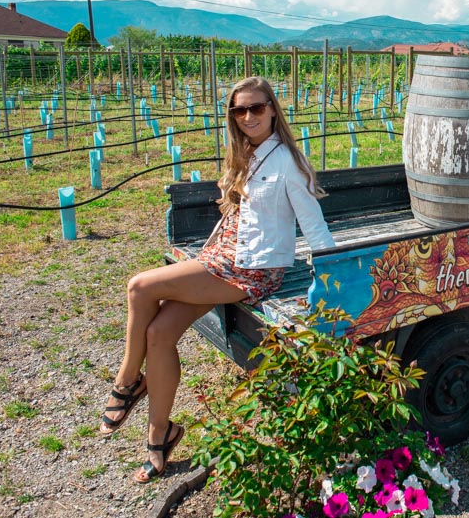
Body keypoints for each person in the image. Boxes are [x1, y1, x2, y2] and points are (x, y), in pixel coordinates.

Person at [99, 76, 335, 483]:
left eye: (256, 107)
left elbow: (315, 227)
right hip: (221, 257)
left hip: (251, 269)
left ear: (273, 109)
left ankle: (127, 383)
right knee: (158, 333)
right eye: (239, 110)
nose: (248, 116)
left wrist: (334, 276)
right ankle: (160, 436)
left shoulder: (288, 163)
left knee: (140, 286)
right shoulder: (246, 154)